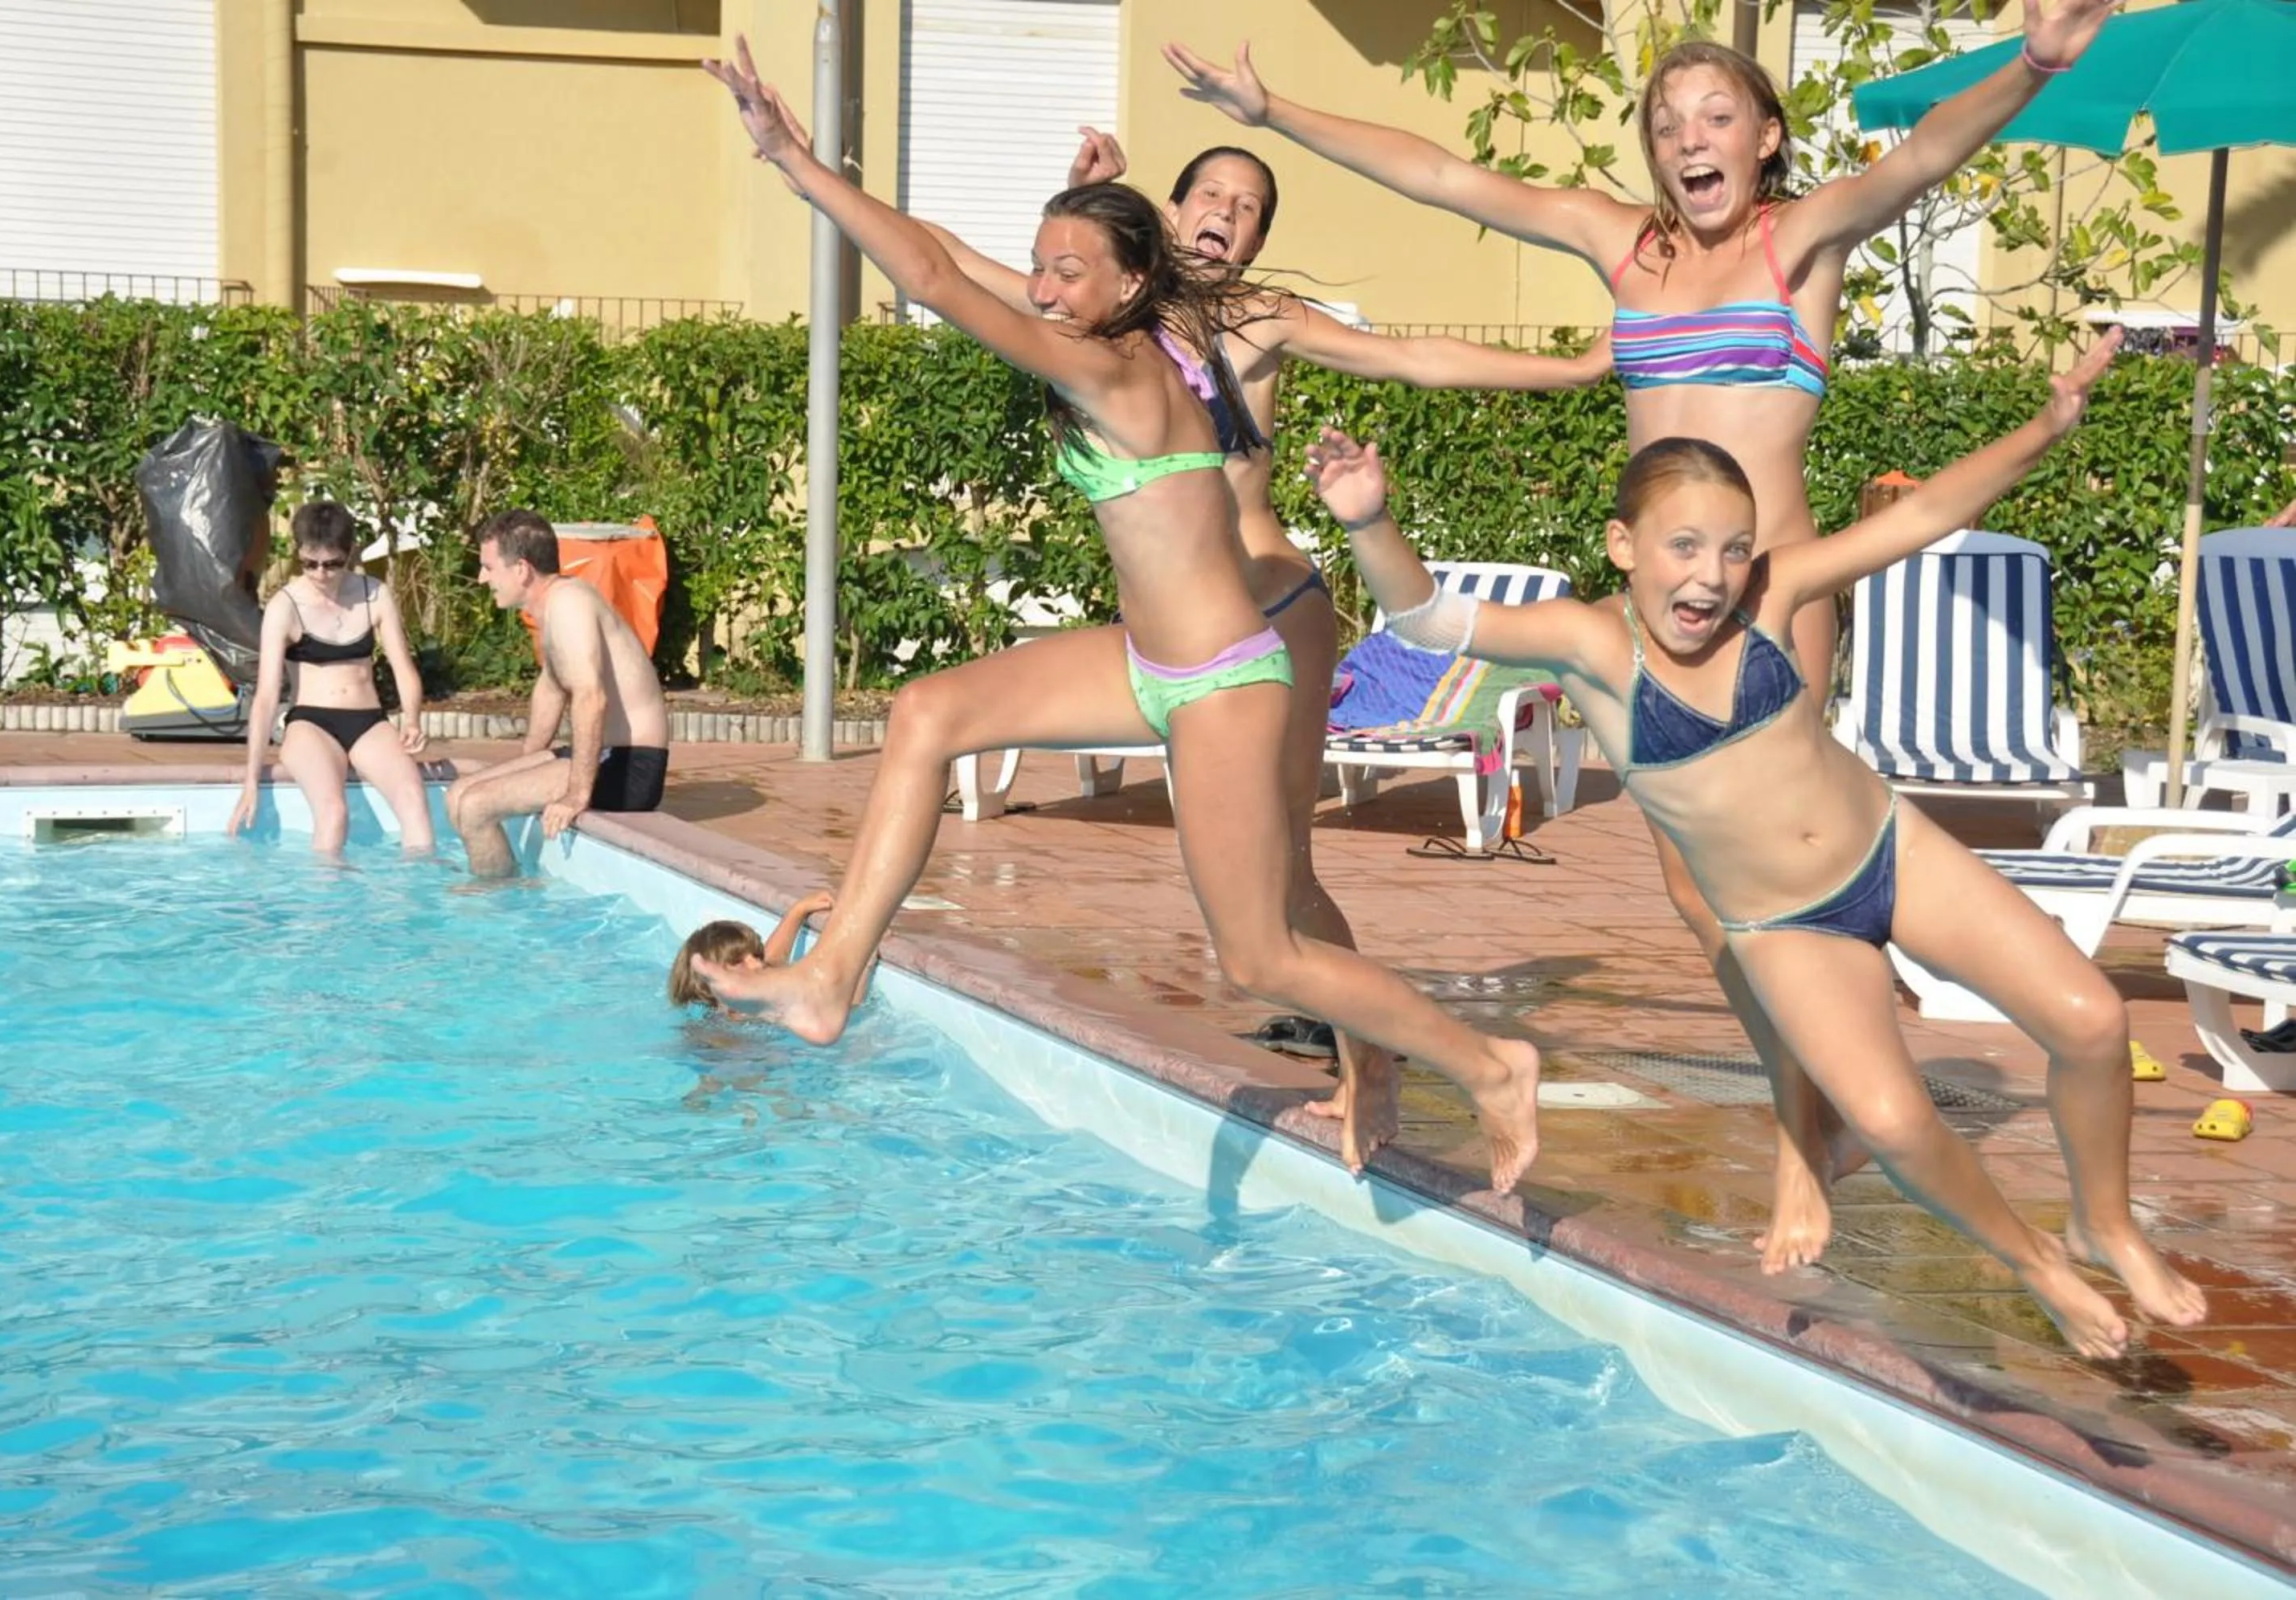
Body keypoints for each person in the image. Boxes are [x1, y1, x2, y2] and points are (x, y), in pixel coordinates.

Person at [1166, 1, 2124, 1268]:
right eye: (1667, 124)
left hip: (1771, 596)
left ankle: (1810, 1142)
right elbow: (1450, 174)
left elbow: (1922, 158)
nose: (1690, 139)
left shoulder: (1805, 237)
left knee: (1774, 877)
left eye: (1718, 116)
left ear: (1768, 139)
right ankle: (1823, 1113)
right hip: (1652, 614)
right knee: (1696, 892)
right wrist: (1273, 111)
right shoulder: (1622, 244)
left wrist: (2034, 65)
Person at [694, 38, 1542, 1194]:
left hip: (1225, 681)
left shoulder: (1122, 370)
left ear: (1129, 286)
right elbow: (949, 257)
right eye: (1041, 268)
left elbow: (938, 282)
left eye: (1068, 271)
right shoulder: (1132, 337)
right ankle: (833, 975)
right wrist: (1066, 207)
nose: (1042, 288)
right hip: (1147, 659)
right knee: (928, 712)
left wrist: (796, 157)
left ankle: (1486, 1061)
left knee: (1261, 949)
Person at [1303, 329, 2209, 1357]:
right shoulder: (1592, 642)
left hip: (1892, 853)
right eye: (1684, 548)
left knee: (2092, 1019)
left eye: (1733, 548)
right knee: (1897, 1124)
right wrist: (1371, 521)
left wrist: (2046, 428)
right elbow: (1426, 621)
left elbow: (1924, 514)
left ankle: (2107, 1220)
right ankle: (2038, 1263)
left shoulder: (1772, 595)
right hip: (1786, 926)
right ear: (1622, 547)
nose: (1713, 576)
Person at [902, 126, 1610, 1142]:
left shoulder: (1261, 319)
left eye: (1249, 210)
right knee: (1268, 890)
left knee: (1286, 869)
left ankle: (1372, 1057)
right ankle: (1370, 1049)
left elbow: (1412, 358)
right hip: (1183, 633)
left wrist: (1572, 371)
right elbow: (976, 273)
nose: (1227, 217)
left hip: (1274, 605)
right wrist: (1068, 201)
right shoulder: (1113, 326)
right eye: (1213, 197)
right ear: (1170, 214)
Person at [443, 508, 673, 877]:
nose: (482, 578)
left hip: (629, 766)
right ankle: (500, 879)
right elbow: (551, 689)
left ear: (521, 569)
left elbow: (590, 697)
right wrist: (528, 762)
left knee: (476, 808)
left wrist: (576, 794)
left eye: (488, 567)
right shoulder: (555, 605)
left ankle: (494, 907)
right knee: (459, 795)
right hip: (605, 756)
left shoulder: (569, 604)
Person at [227, 500, 435, 855]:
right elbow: (265, 696)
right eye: (310, 564)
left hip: (369, 722)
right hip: (311, 722)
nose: (321, 574)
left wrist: (413, 719)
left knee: (413, 798)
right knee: (333, 812)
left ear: (350, 553)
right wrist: (250, 780)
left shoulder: (374, 595)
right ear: (299, 554)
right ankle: (326, 908)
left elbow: (403, 668)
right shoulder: (285, 606)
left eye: (332, 564)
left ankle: (416, 903)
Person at [670, 891, 868, 1020]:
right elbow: (844, 1014)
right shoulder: (742, 1014)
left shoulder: (733, 998)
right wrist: (864, 954)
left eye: (756, 955)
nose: (757, 964)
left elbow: (774, 959)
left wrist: (797, 913)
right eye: (740, 961)